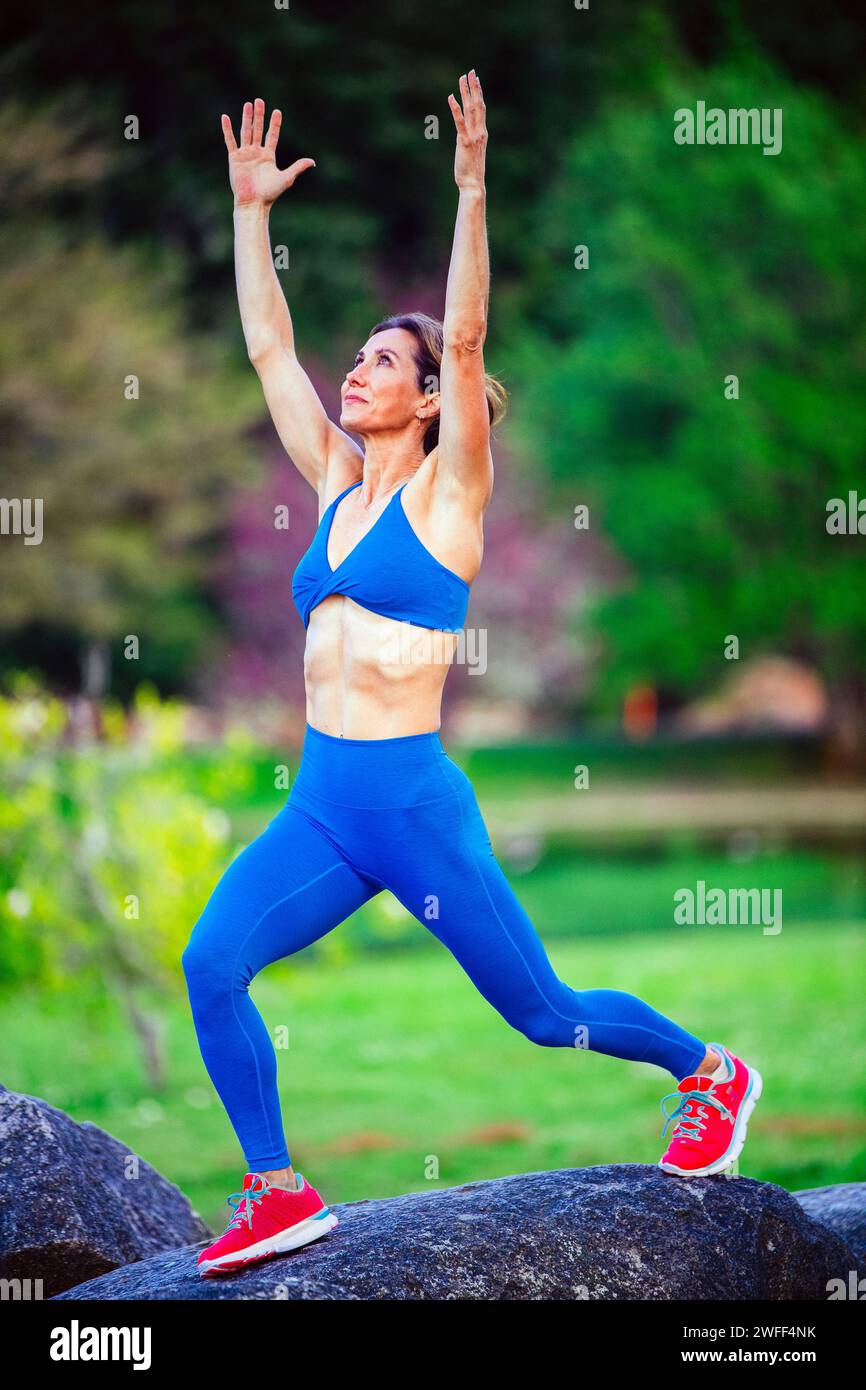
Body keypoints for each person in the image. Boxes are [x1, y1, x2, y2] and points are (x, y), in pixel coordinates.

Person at [183, 73, 762, 1278]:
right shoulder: (336, 486)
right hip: (321, 805)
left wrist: (470, 186)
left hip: (409, 804)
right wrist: (250, 213)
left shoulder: (453, 498)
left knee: (542, 1015)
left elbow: (471, 329)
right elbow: (265, 343)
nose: (354, 372)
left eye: (379, 364)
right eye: (355, 360)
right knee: (210, 960)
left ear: (428, 397)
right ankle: (274, 1187)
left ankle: (709, 1070)